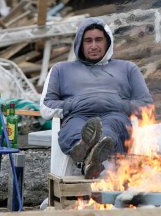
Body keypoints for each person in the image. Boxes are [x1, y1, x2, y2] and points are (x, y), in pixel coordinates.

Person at [41, 17, 152, 178]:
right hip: (77, 116)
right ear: (80, 43)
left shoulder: (128, 69)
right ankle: (86, 152)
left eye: (99, 40)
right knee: (75, 131)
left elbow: (146, 105)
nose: (94, 46)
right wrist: (73, 104)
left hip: (115, 116)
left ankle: (90, 155)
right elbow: (45, 107)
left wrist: (120, 105)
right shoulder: (61, 69)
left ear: (107, 42)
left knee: (109, 129)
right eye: (88, 41)